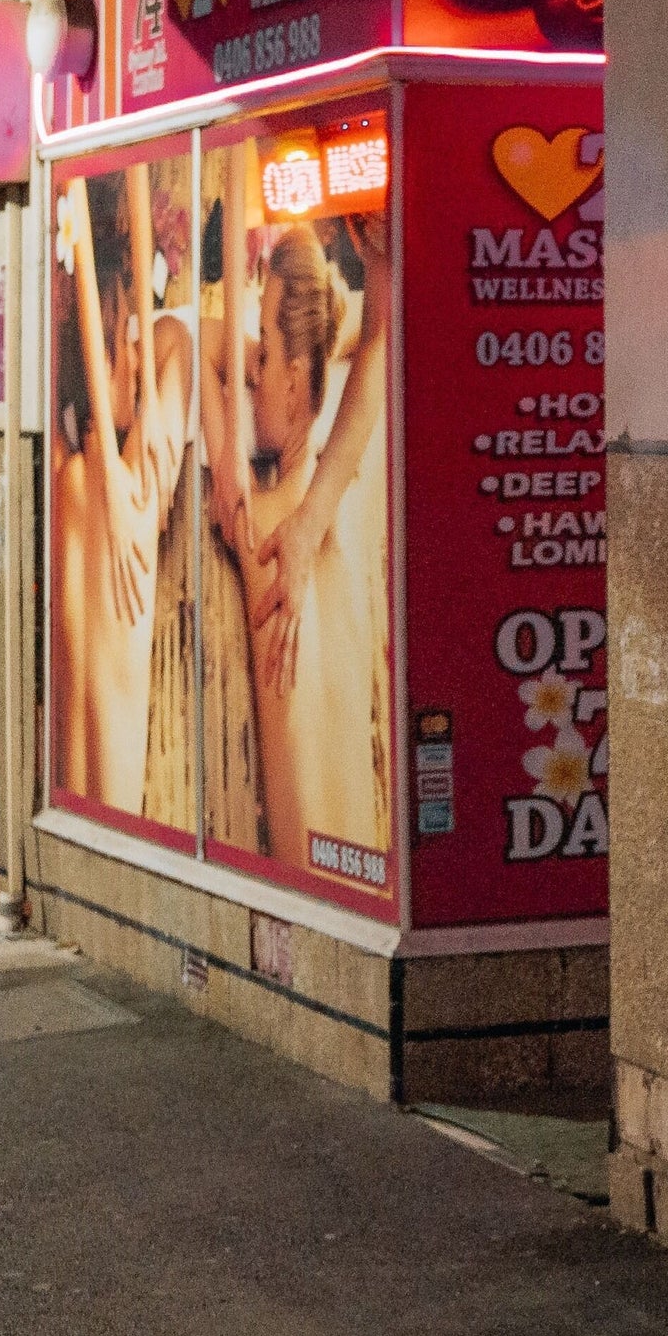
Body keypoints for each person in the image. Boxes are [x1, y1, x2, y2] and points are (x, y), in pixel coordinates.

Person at [216, 210, 392, 880]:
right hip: (363, 875)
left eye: (260, 353)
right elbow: (374, 349)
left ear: (293, 374)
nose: (249, 373)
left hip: (309, 892)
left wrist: (222, 432)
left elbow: (181, 341)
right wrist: (375, 264)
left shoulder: (263, 531)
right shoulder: (340, 509)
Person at [50, 171, 187, 819]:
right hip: (118, 810)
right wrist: (153, 401)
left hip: (67, 804)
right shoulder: (133, 491)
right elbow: (174, 345)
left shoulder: (63, 477)